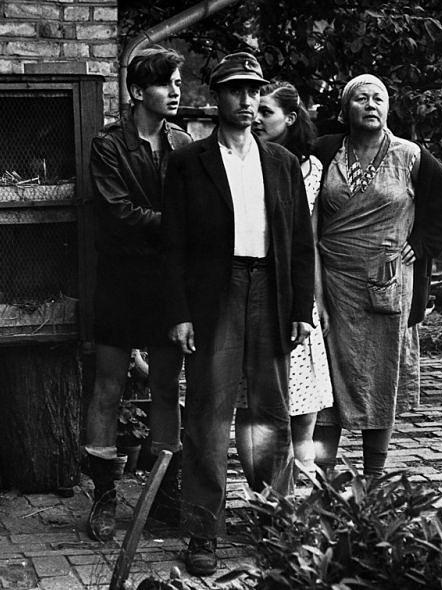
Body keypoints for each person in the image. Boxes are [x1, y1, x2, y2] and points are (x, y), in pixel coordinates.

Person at [161, 53, 315, 576]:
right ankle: (203, 532)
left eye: (254, 91)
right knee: (208, 414)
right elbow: (173, 244)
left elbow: (300, 242)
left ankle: (274, 523)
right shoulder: (190, 162)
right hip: (216, 292)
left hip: (269, 288)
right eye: (235, 90)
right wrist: (180, 312)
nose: (247, 101)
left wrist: (300, 309)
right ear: (217, 96)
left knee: (270, 413)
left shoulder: (282, 163)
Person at [312, 74, 442, 480]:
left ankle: (373, 478)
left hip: (386, 283)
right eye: (360, 98)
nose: (370, 105)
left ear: (388, 108)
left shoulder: (409, 155)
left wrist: (423, 242)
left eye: (378, 98)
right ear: (345, 110)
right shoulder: (326, 151)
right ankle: (323, 477)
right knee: (327, 378)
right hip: (332, 282)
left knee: (380, 375)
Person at [84, 46, 192, 542]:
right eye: (165, 83)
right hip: (121, 280)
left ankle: (165, 494)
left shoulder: (183, 143)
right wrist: (176, 227)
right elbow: (117, 213)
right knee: (108, 384)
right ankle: (104, 496)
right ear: (137, 91)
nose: (175, 92)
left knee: (166, 385)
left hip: (169, 282)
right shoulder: (108, 145)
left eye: (178, 83)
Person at [236, 81, 333, 476]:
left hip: (295, 292)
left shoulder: (312, 169)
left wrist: (316, 298)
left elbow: (310, 239)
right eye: (255, 111)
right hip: (257, 286)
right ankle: (261, 487)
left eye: (267, 112)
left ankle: (301, 482)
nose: (257, 118)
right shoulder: (244, 160)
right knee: (253, 400)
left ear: (290, 119)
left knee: (304, 400)